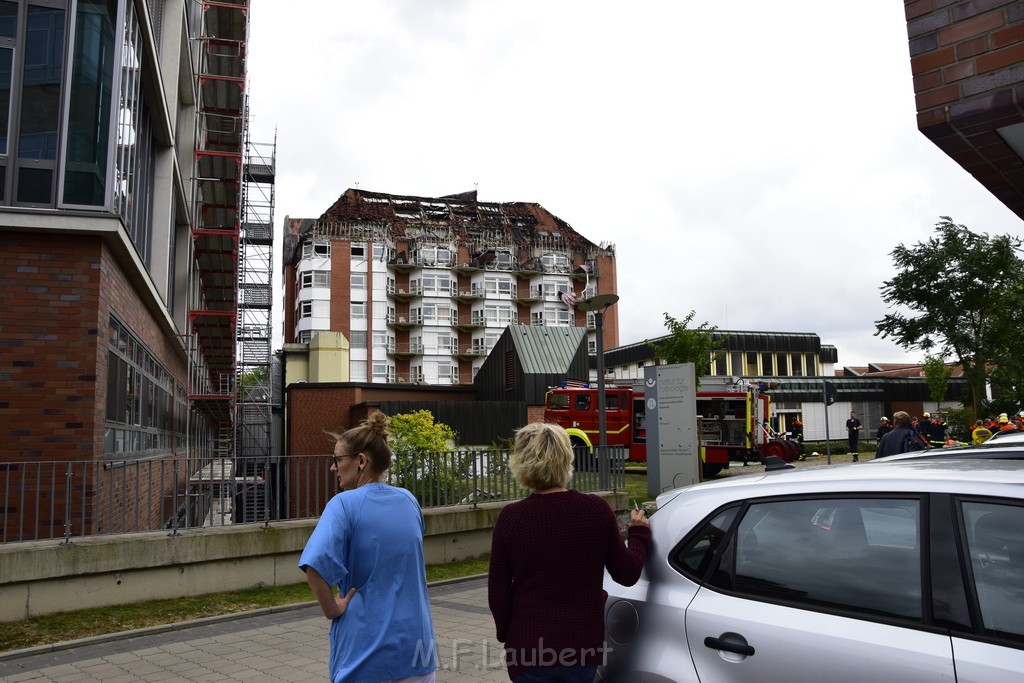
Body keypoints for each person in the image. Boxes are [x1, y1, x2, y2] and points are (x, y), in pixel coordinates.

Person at [488, 422, 651, 682]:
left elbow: (498, 593)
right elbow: (628, 573)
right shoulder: (596, 510)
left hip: (528, 650)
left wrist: (508, 635)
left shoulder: (511, 518)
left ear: (521, 462)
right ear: (567, 458)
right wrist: (639, 533)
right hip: (582, 648)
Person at [298, 413, 437, 683]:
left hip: (365, 658)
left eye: (338, 460)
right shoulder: (409, 500)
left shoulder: (343, 504)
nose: (333, 468)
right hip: (418, 653)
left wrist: (332, 609)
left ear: (360, 461)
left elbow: (314, 565)